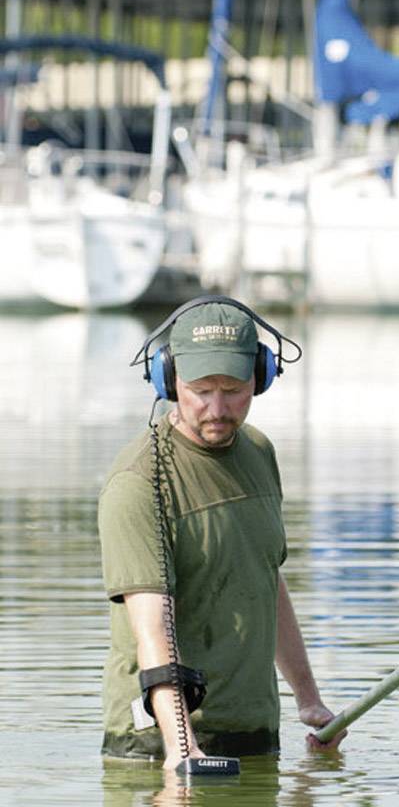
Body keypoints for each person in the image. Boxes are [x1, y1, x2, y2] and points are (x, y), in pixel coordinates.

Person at [98, 297, 344, 769]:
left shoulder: (257, 450)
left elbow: (264, 580)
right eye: (201, 390)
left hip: (252, 730)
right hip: (157, 747)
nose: (218, 408)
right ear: (168, 381)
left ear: (262, 376)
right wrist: (181, 747)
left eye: (233, 390)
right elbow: (152, 628)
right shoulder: (138, 482)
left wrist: (308, 700)